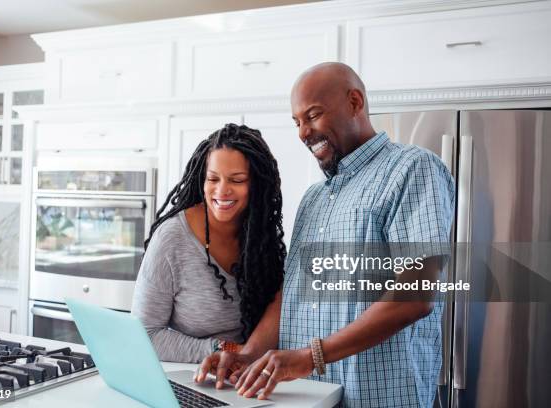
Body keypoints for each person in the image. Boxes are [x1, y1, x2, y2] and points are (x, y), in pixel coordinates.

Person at [195, 63, 455, 408]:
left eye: (313, 115)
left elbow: (416, 294)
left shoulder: (411, 168)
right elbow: (291, 292)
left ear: (354, 102)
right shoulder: (314, 198)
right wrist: (248, 353)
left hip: (378, 398)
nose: (304, 132)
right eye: (297, 122)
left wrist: (310, 356)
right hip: (308, 399)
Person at [131, 123, 286, 363]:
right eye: (213, 178)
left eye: (237, 180)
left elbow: (277, 306)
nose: (222, 191)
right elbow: (143, 335)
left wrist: (246, 357)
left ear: (257, 184)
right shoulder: (171, 238)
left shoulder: (260, 235)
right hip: (192, 379)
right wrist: (224, 350)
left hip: (250, 377)